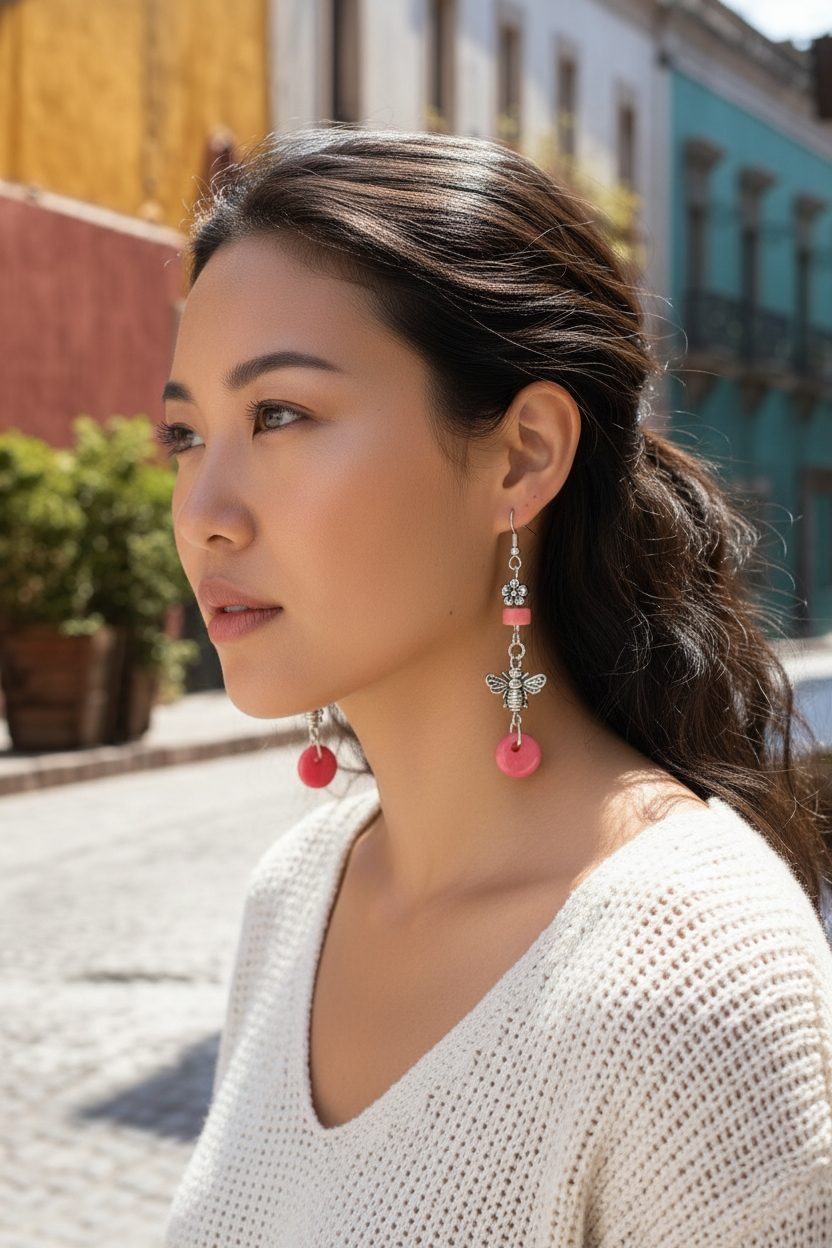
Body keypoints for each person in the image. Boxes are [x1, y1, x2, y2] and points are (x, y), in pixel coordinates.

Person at [162, 129, 832, 1247]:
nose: (204, 509)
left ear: (521, 457)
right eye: (183, 434)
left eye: (279, 414)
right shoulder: (297, 894)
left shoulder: (697, 981)